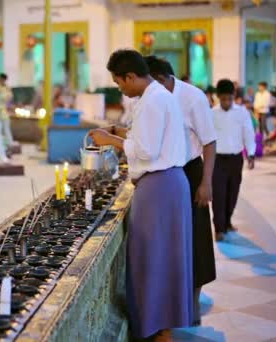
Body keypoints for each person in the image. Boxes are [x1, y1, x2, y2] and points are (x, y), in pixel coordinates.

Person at [88, 49, 192, 341]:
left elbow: (147, 150)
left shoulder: (153, 101)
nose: (119, 88)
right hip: (167, 184)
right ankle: (161, 327)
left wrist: (111, 140)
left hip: (160, 187)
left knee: (152, 257)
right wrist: (120, 134)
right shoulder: (156, 97)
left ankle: (158, 329)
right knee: (162, 256)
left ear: (131, 77)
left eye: (119, 82)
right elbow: (146, 140)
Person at [145, 55, 217, 326]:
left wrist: (206, 182)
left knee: (196, 236)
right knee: (170, 238)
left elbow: (209, 142)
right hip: (164, 173)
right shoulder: (151, 96)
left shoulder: (193, 98)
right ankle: (171, 301)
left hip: (190, 171)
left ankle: (193, 302)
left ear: (162, 78)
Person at [212, 79, 256, 242]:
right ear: (218, 97)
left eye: (229, 98)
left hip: (236, 159)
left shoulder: (242, 112)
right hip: (218, 160)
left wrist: (250, 153)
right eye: (223, 99)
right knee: (219, 194)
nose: (227, 102)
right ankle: (219, 228)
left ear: (234, 96)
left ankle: (227, 221)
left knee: (233, 193)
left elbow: (248, 133)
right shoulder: (212, 113)